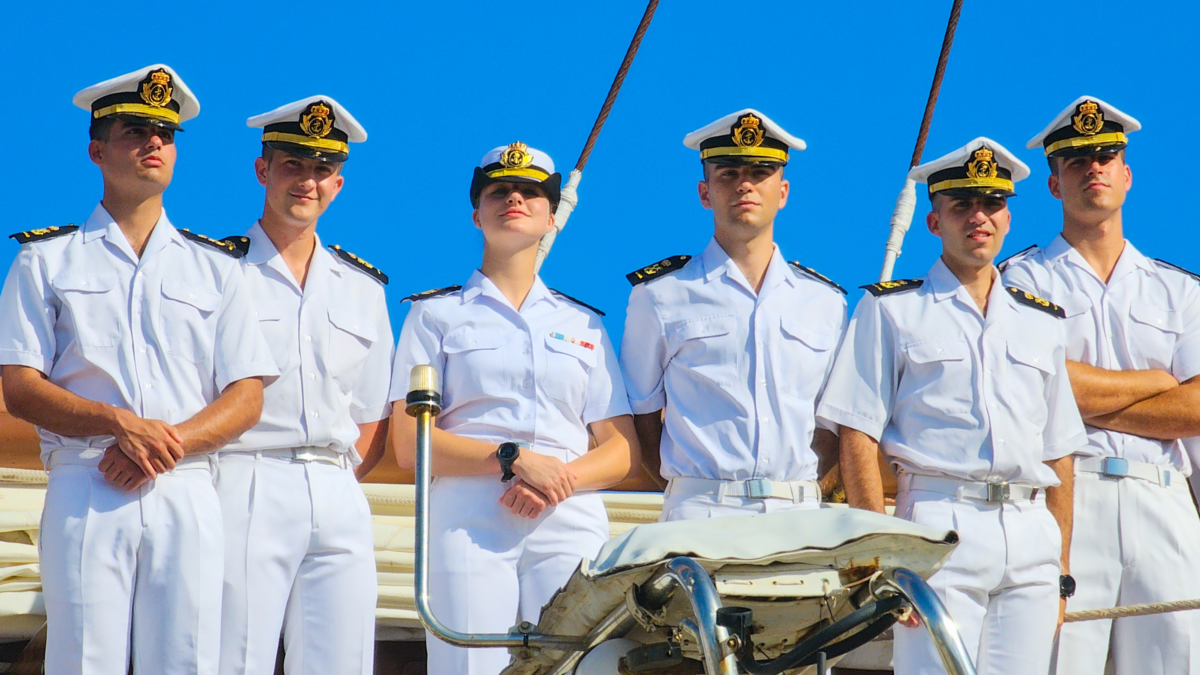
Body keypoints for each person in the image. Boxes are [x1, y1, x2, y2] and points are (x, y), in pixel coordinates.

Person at [0, 64, 277, 675]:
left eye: (165, 134)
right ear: (97, 150)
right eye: (135, 131)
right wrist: (117, 423)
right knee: (83, 660)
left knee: (188, 660)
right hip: (88, 477)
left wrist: (161, 444)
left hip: (186, 483)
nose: (154, 143)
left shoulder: (218, 269)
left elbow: (247, 393)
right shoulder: (44, 260)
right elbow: (20, 388)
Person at [817, 138, 1085, 675]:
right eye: (962, 205)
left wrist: (1060, 571)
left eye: (991, 204)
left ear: (1007, 218)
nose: (978, 217)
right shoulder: (891, 310)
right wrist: (880, 556)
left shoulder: (1043, 322)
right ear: (934, 222)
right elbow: (857, 435)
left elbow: (1059, 453)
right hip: (938, 528)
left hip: (1030, 534)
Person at [389, 142, 641, 674]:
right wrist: (514, 459)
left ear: (552, 218)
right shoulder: (434, 317)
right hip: (469, 517)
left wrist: (555, 478)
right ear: (476, 214)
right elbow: (410, 445)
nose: (514, 199)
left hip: (568, 513)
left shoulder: (584, 324)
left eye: (530, 192)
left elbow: (621, 451)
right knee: (469, 666)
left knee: (578, 666)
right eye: (499, 191)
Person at [1002, 96, 1200, 675]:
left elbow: (1197, 409)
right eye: (1076, 161)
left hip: (1164, 497)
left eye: (1106, 157)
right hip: (1069, 494)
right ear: (1054, 184)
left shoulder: (1180, 291)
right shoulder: (1019, 281)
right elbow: (1034, 384)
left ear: (1126, 175)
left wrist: (1079, 400)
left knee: (1179, 661)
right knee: (1061, 661)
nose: (1093, 168)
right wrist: (1157, 384)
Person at [215, 96, 393, 675]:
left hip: (338, 484)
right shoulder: (216, 271)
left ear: (338, 184)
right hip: (245, 476)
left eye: (322, 168)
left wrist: (332, 480)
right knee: (232, 658)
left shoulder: (363, 287)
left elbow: (371, 414)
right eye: (292, 163)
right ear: (262, 169)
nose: (307, 181)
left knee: (342, 662)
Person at [619, 109, 847, 521]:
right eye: (728, 173)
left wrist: (795, 486)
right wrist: (692, 490)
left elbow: (832, 422)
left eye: (760, 172)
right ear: (704, 193)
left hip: (797, 515)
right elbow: (640, 417)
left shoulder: (825, 302)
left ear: (783, 192)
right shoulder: (659, 295)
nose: (744, 184)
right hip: (702, 510)